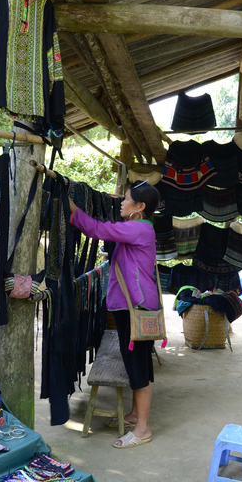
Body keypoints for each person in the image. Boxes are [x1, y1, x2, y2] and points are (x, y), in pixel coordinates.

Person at [69, 180, 162, 449]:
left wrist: (74, 211)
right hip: (131, 306)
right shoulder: (140, 229)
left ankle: (143, 429)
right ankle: (134, 416)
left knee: (137, 366)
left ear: (140, 207)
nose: (121, 202)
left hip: (136, 307)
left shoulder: (138, 229)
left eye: (126, 198)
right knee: (136, 362)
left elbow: (99, 230)